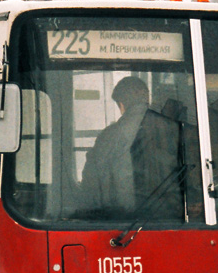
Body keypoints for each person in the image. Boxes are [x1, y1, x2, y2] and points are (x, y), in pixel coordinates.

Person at [79, 76, 185, 218]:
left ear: (122, 105)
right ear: (147, 99)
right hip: (169, 217)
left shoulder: (110, 135)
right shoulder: (173, 128)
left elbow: (91, 182)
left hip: (122, 220)